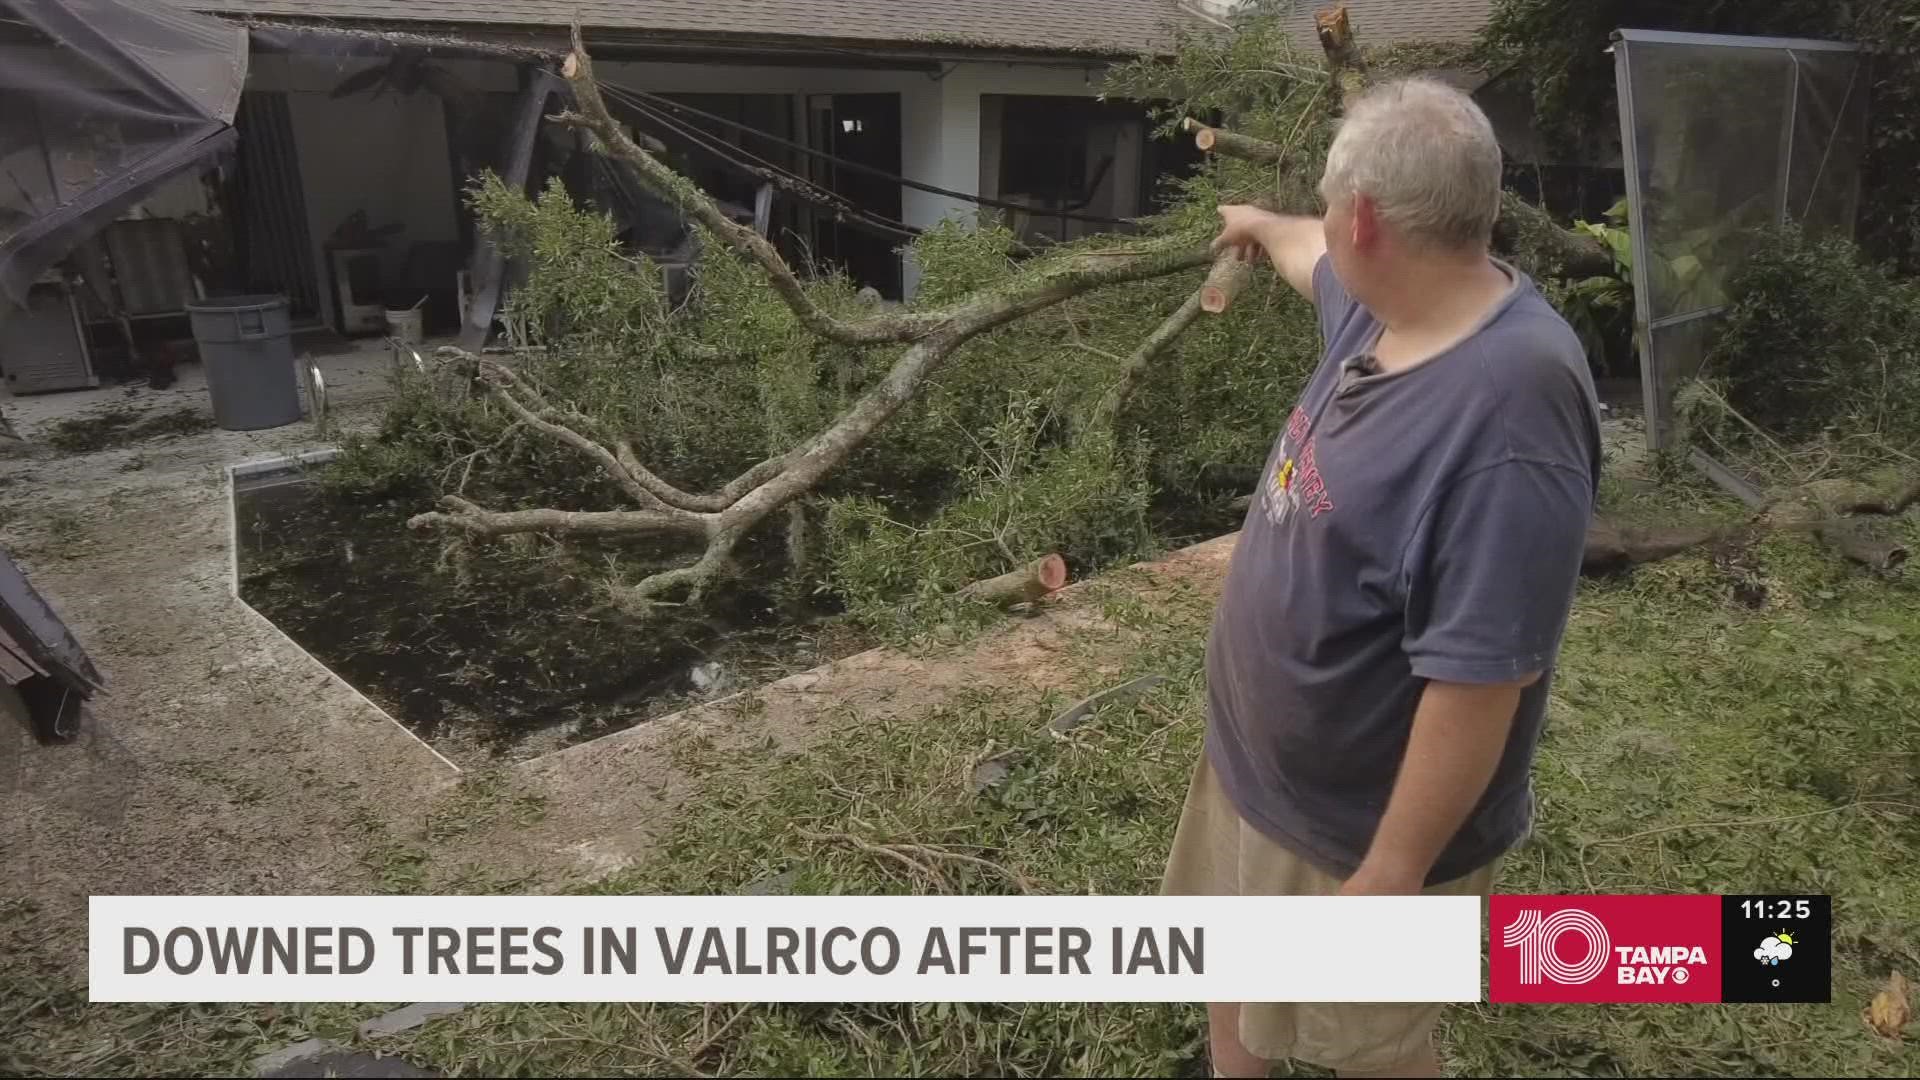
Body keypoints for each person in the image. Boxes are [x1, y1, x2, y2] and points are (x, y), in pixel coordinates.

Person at [1161, 78, 1601, 1078]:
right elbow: (1308, 256)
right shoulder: (1390, 308)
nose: (1321, 223)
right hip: (1260, 772)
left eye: (1323, 198)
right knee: (1233, 952)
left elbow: (1482, 680)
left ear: (1367, 214)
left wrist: (1392, 873)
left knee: (1370, 1046)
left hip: (1352, 830)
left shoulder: (1509, 414)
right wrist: (1261, 222)